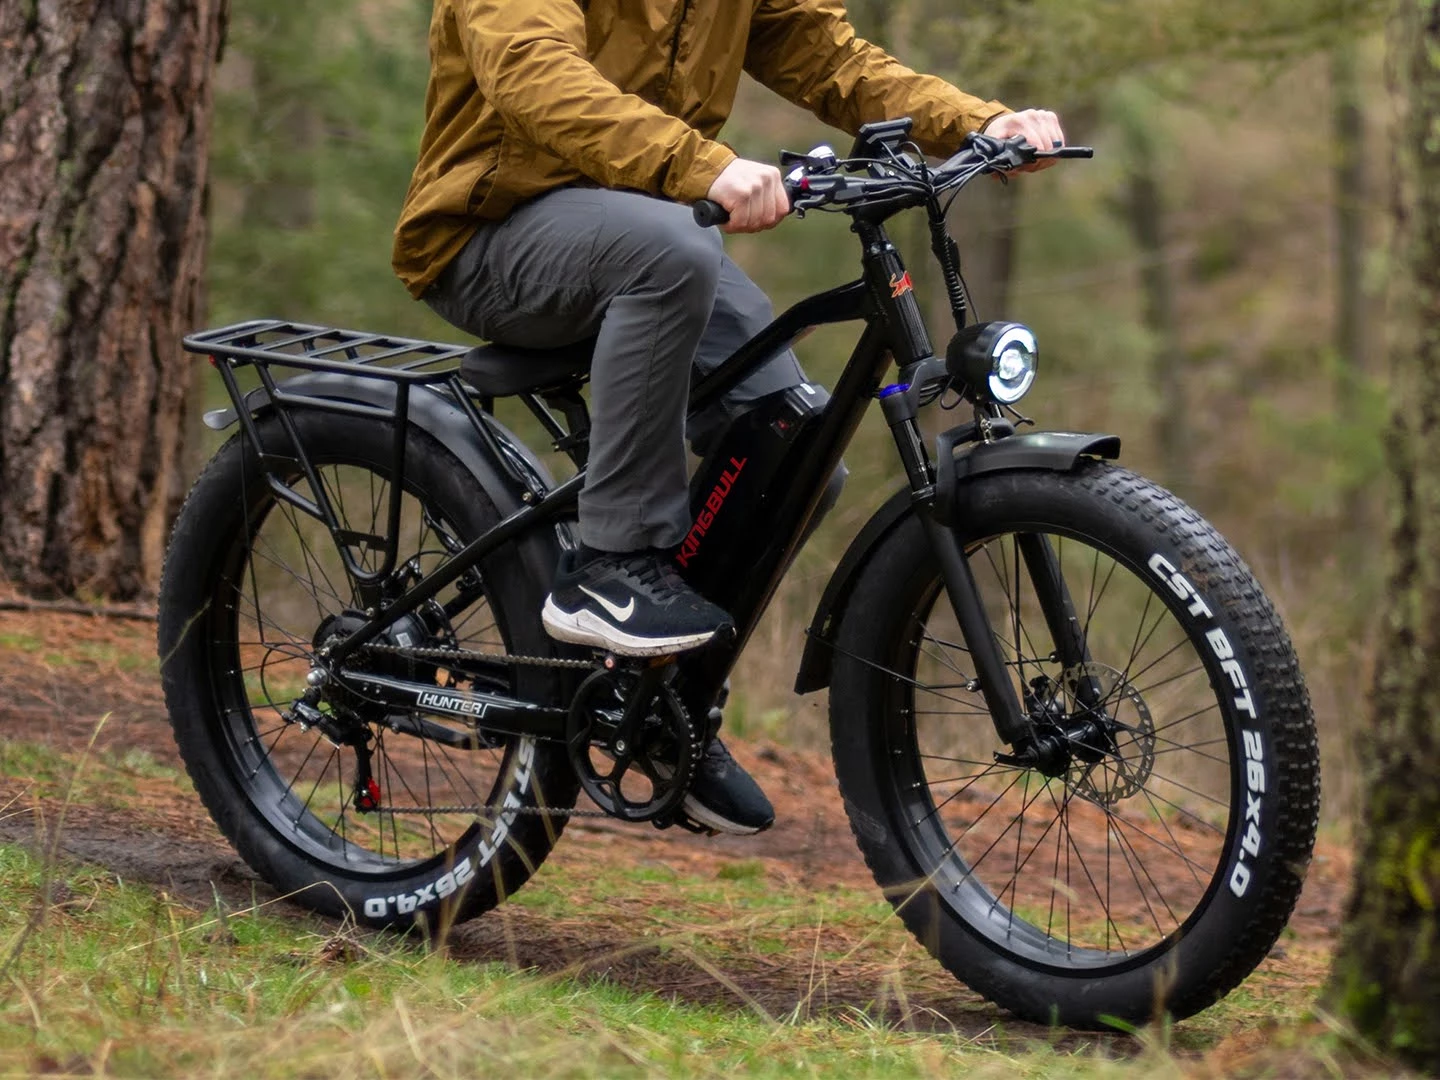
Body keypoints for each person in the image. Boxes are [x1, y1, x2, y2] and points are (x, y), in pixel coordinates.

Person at [393, 0, 1065, 835]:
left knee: (792, 450)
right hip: (490, 231)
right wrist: (701, 164)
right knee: (673, 250)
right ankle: (609, 563)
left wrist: (977, 123)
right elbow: (532, 71)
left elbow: (822, 52)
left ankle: (656, 704)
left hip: (654, 220)